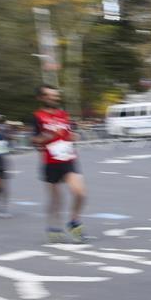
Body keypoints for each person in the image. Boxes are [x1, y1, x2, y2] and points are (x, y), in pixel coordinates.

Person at [32, 85, 87, 243]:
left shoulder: (63, 114)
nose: (55, 98)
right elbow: (34, 140)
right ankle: (53, 226)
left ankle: (74, 222)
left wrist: (73, 136)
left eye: (56, 96)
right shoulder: (38, 117)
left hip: (68, 159)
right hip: (51, 162)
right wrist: (48, 136)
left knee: (80, 193)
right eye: (50, 96)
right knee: (56, 199)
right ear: (41, 98)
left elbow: (69, 134)